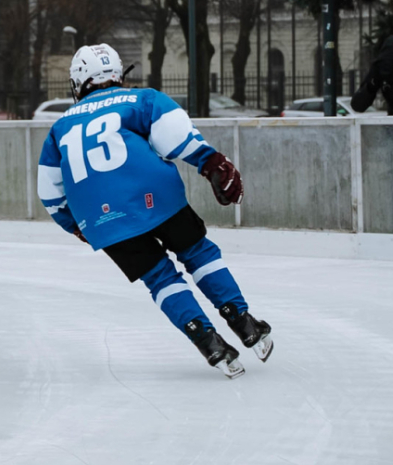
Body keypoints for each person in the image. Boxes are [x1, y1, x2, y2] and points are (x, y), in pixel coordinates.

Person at [38, 44, 272, 378]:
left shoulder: (59, 127)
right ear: (118, 73)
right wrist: (209, 161)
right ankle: (243, 322)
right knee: (198, 252)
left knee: (160, 278)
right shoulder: (140, 99)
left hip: (102, 221)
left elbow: (50, 192)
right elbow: (175, 136)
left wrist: (75, 225)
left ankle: (209, 344)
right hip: (155, 195)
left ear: (78, 82)